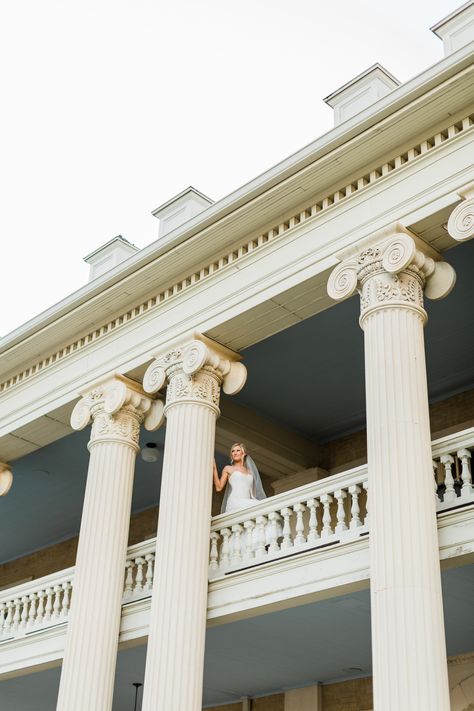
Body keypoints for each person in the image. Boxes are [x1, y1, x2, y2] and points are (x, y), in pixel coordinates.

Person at [213, 442, 266, 514]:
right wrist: (214, 468)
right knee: (259, 506)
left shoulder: (250, 472)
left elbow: (252, 494)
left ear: (243, 453)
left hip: (248, 502)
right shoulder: (228, 468)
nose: (235, 453)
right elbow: (218, 488)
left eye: (238, 450)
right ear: (231, 455)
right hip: (235, 501)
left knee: (263, 505)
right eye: (233, 451)